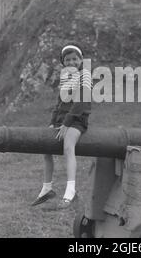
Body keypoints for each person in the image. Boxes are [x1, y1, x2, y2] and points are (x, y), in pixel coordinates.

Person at [31, 42, 92, 209]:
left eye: (75, 59)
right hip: (61, 120)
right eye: (68, 59)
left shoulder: (85, 76)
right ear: (63, 62)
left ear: (81, 60)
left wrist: (66, 124)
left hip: (77, 119)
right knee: (46, 149)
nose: (71, 62)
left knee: (68, 147)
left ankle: (70, 191)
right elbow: (59, 103)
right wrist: (53, 122)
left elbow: (80, 103)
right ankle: (47, 188)